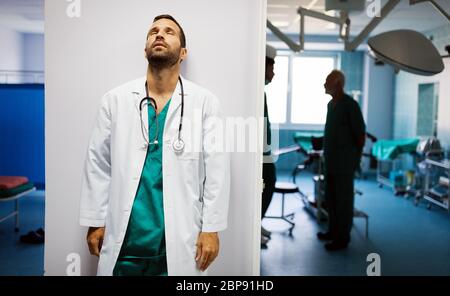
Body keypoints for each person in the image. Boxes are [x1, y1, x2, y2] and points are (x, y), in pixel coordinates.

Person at [79, 14, 230, 276]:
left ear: (183, 52)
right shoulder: (115, 100)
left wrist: (211, 228)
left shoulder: (204, 102)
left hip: (178, 241)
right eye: (153, 32)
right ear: (146, 48)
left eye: (169, 31)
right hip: (125, 241)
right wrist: (95, 221)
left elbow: (217, 171)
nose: (159, 35)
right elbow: (98, 164)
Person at [317, 70, 365, 251]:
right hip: (331, 162)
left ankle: (342, 238)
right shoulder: (331, 105)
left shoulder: (350, 106)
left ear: (337, 84)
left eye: (327, 81)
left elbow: (360, 136)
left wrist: (356, 160)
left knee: (343, 203)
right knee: (331, 199)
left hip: (345, 164)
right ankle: (332, 231)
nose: (324, 84)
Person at [261, 44, 277, 247]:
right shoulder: (257, 92)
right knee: (268, 182)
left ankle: (257, 223)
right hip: (258, 154)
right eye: (272, 67)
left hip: (264, 152)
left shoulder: (261, 91)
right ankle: (254, 225)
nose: (273, 73)